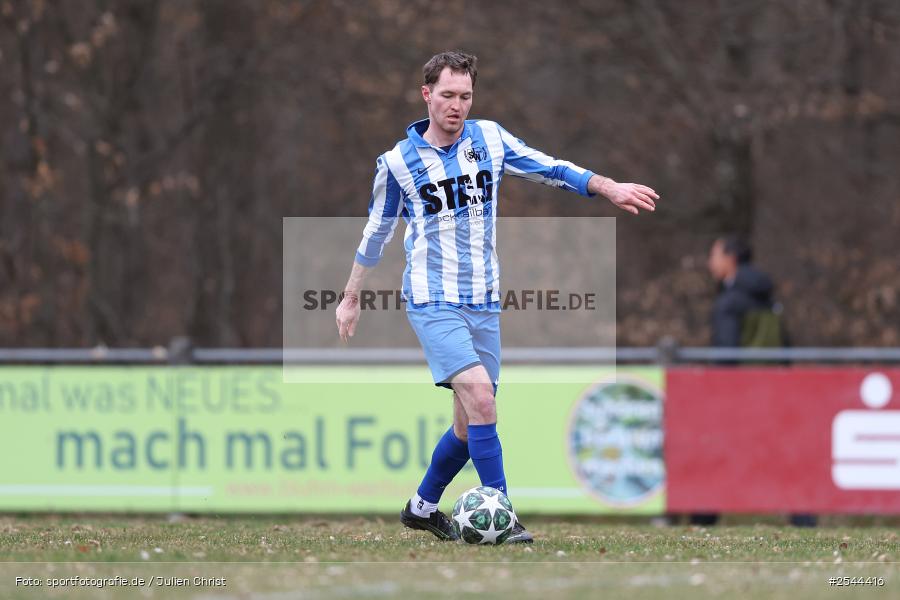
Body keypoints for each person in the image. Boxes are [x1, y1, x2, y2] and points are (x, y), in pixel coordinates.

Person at [334, 51, 658, 543]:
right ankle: (505, 521)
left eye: (465, 96)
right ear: (426, 95)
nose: (456, 105)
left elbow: (552, 168)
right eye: (447, 95)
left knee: (469, 425)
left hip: (483, 300)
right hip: (432, 299)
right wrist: (350, 295)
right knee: (483, 399)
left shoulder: (490, 138)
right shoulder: (398, 164)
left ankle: (421, 508)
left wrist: (606, 186)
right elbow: (376, 233)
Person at [703, 235, 817, 528]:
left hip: (739, 393)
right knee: (780, 456)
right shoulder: (767, 299)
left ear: (731, 259)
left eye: (714, 255)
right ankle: (804, 519)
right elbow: (784, 345)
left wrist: (716, 391)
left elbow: (725, 353)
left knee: (716, 455)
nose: (710, 263)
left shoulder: (730, 301)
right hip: (771, 389)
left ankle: (702, 518)